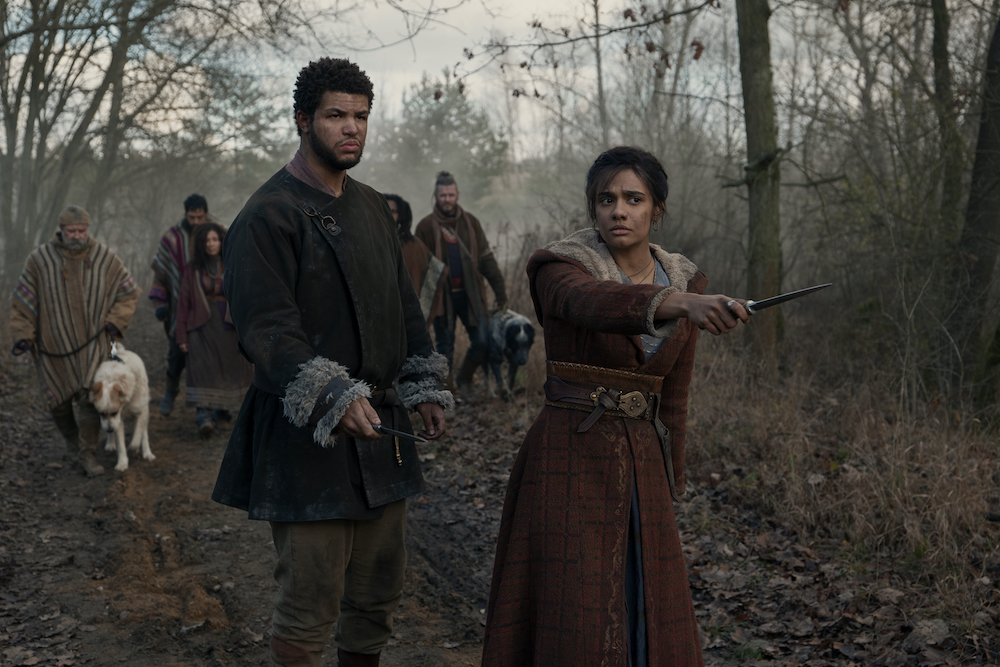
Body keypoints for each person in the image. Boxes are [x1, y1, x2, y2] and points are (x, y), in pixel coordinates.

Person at [211, 58, 453, 667]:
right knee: (310, 602)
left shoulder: (373, 207)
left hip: (382, 436)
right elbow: (267, 331)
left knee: (375, 596)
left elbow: (404, 307)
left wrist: (422, 380)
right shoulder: (266, 216)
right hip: (305, 442)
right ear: (302, 120)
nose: (352, 129)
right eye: (336, 115)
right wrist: (332, 397)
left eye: (361, 117)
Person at [481, 146, 750, 667]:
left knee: (647, 607)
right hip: (567, 456)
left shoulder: (684, 280)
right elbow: (592, 303)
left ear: (657, 210)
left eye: (633, 198)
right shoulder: (559, 268)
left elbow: (674, 393)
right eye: (607, 199)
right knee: (574, 614)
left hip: (643, 463)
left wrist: (672, 477)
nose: (618, 210)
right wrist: (677, 304)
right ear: (593, 208)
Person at [10, 205, 140, 477]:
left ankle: (87, 454)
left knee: (90, 399)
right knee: (57, 402)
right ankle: (73, 443)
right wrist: (23, 335)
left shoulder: (105, 258)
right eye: (72, 230)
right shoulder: (40, 260)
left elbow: (128, 291)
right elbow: (23, 302)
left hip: (93, 346)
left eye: (82, 230)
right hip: (51, 348)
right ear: (61, 229)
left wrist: (116, 320)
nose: (78, 235)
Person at [414, 171, 507, 386]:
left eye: (450, 195)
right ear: (435, 196)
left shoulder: (471, 223)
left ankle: (464, 379)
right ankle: (447, 391)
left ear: (457, 195)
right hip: (441, 298)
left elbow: (486, 259)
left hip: (470, 295)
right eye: (442, 195)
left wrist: (500, 291)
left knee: (483, 342)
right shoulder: (425, 227)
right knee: (445, 349)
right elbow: (417, 268)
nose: (447, 199)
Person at [174, 221, 252, 437]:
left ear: (222, 241)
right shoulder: (192, 269)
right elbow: (183, 303)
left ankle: (222, 413)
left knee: (225, 370)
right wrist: (181, 335)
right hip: (200, 328)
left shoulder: (232, 263)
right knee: (202, 371)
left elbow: (243, 296)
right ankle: (203, 418)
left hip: (227, 327)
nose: (211, 244)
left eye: (215, 239)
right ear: (201, 243)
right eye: (207, 240)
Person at [149, 193, 211, 416]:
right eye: (191, 217)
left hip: (210, 309)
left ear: (206, 214)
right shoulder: (172, 239)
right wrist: (160, 303)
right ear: (185, 214)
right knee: (176, 356)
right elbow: (161, 275)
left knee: (205, 359)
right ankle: (170, 391)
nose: (195, 222)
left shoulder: (215, 235)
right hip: (180, 311)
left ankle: (204, 409)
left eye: (200, 217)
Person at [385, 193, 445, 325]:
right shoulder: (367, 242)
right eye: (385, 209)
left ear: (401, 215)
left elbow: (434, 272)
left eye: (394, 211)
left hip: (407, 312)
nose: (389, 214)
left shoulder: (414, 245)